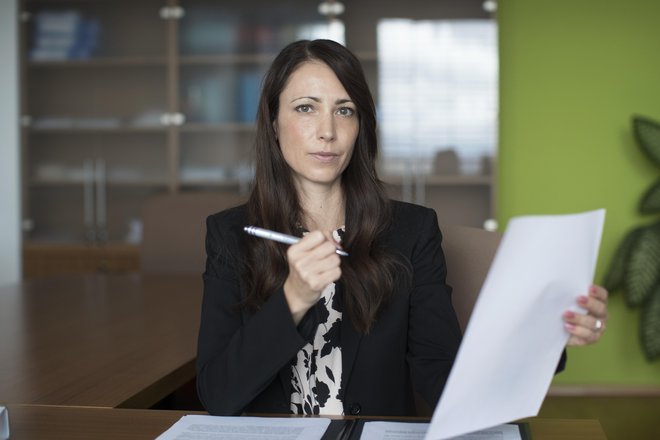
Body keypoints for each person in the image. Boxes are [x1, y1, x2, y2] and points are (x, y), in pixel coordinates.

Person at [196, 39, 609, 417]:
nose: (327, 131)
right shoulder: (231, 235)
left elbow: (444, 379)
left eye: (345, 110)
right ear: (272, 122)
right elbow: (218, 395)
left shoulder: (412, 230)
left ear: (361, 126)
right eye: (306, 108)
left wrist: (544, 337)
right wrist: (294, 298)